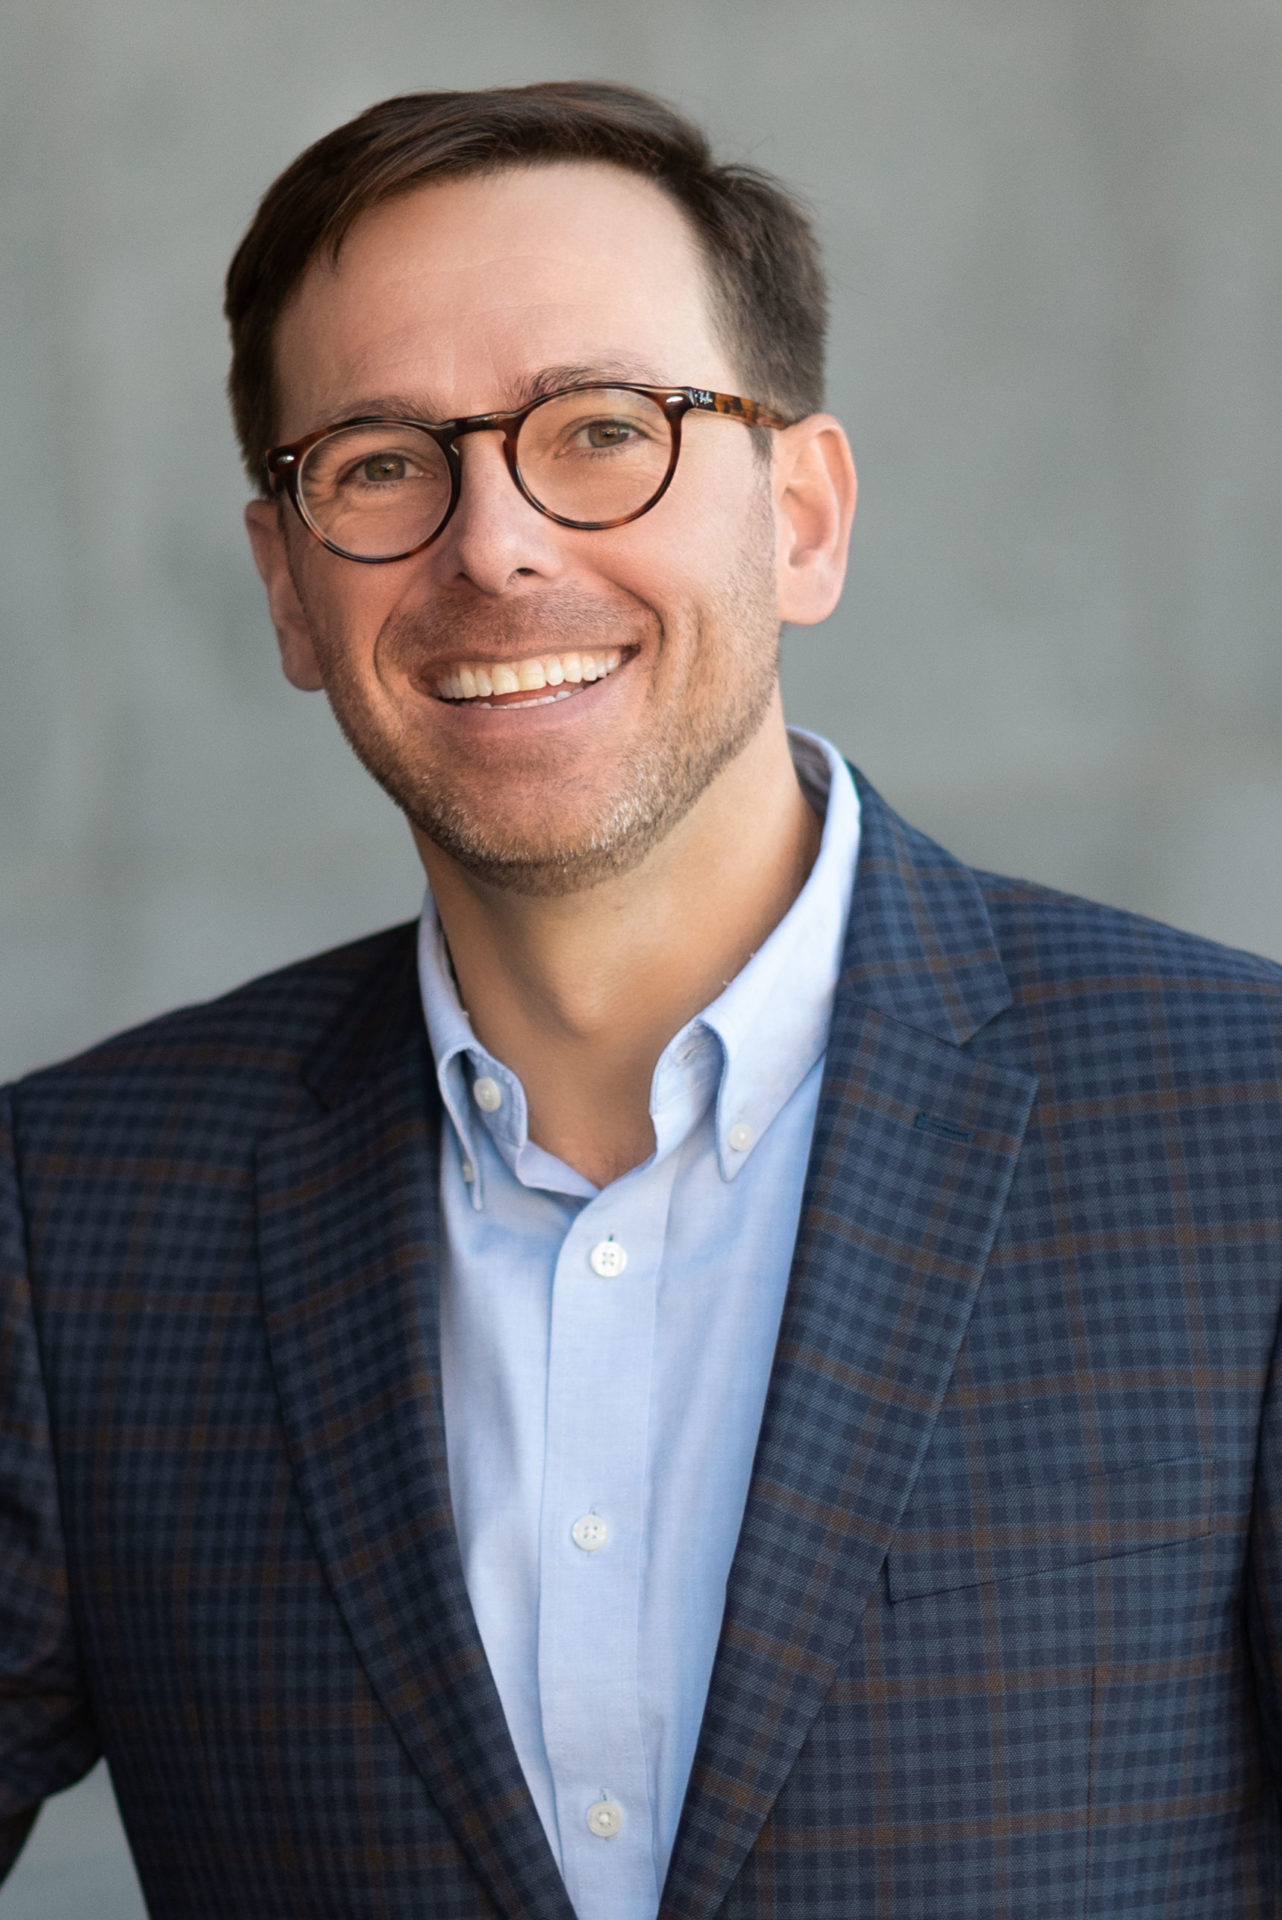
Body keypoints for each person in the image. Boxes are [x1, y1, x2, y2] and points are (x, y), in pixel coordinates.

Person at [2, 79, 1281, 1920]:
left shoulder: (1241, 1132)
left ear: (804, 517)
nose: (493, 544)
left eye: (605, 429)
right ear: (288, 589)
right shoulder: (78, 1216)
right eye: (375, 460)